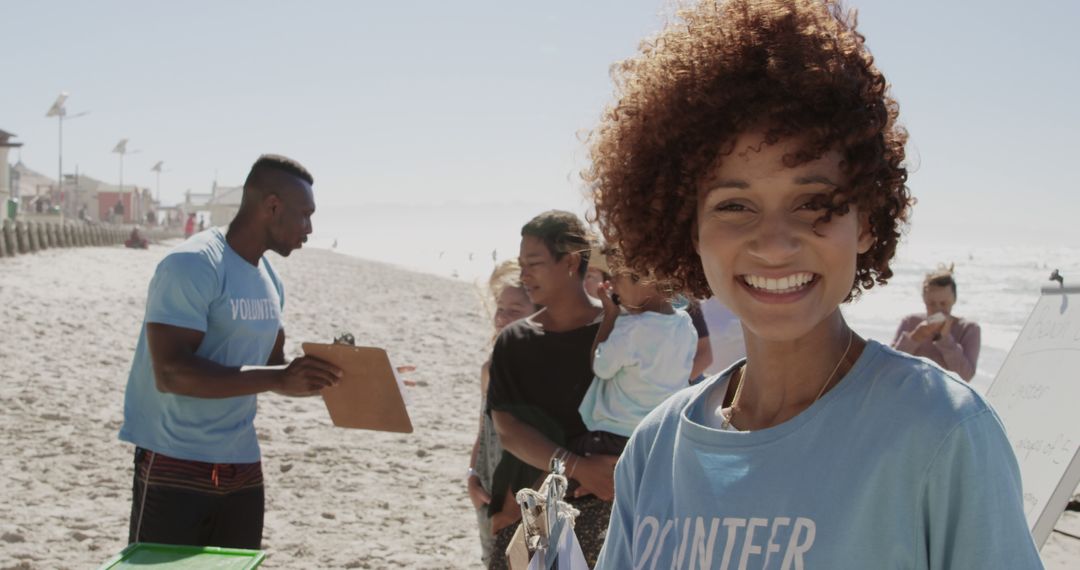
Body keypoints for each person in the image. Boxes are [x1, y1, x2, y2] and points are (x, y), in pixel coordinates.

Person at [585, 1, 1042, 567]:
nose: (774, 243)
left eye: (813, 203)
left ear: (867, 221)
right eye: (735, 205)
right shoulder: (654, 450)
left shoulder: (941, 433)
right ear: (689, 229)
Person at [118, 154, 342, 549]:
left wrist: (341, 372)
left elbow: (273, 366)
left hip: (242, 464)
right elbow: (171, 372)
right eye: (304, 214)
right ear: (272, 206)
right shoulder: (192, 264)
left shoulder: (269, 278)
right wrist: (278, 378)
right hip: (175, 458)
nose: (309, 228)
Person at [485, 210, 618, 568]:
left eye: (534, 263)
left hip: (614, 508)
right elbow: (508, 430)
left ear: (571, 262)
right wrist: (576, 467)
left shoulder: (620, 331)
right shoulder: (514, 341)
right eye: (522, 264)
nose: (524, 275)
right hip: (531, 513)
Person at [571, 251, 697, 458]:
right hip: (662, 432)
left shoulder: (630, 328)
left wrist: (610, 315)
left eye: (617, 277)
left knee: (566, 465)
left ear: (644, 278)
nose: (612, 285)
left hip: (618, 435)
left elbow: (600, 367)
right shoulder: (684, 323)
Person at [467, 260, 537, 567]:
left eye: (515, 309)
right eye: (500, 307)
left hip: (527, 493)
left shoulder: (541, 371)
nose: (502, 316)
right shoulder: (490, 368)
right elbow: (484, 430)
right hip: (488, 492)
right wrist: (472, 475)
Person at [892, 266, 981, 382]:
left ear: (954, 300)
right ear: (924, 299)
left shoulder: (969, 329)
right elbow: (890, 365)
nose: (938, 309)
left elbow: (965, 376)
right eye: (931, 303)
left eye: (943, 303)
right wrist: (915, 337)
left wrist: (945, 339)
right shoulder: (910, 322)